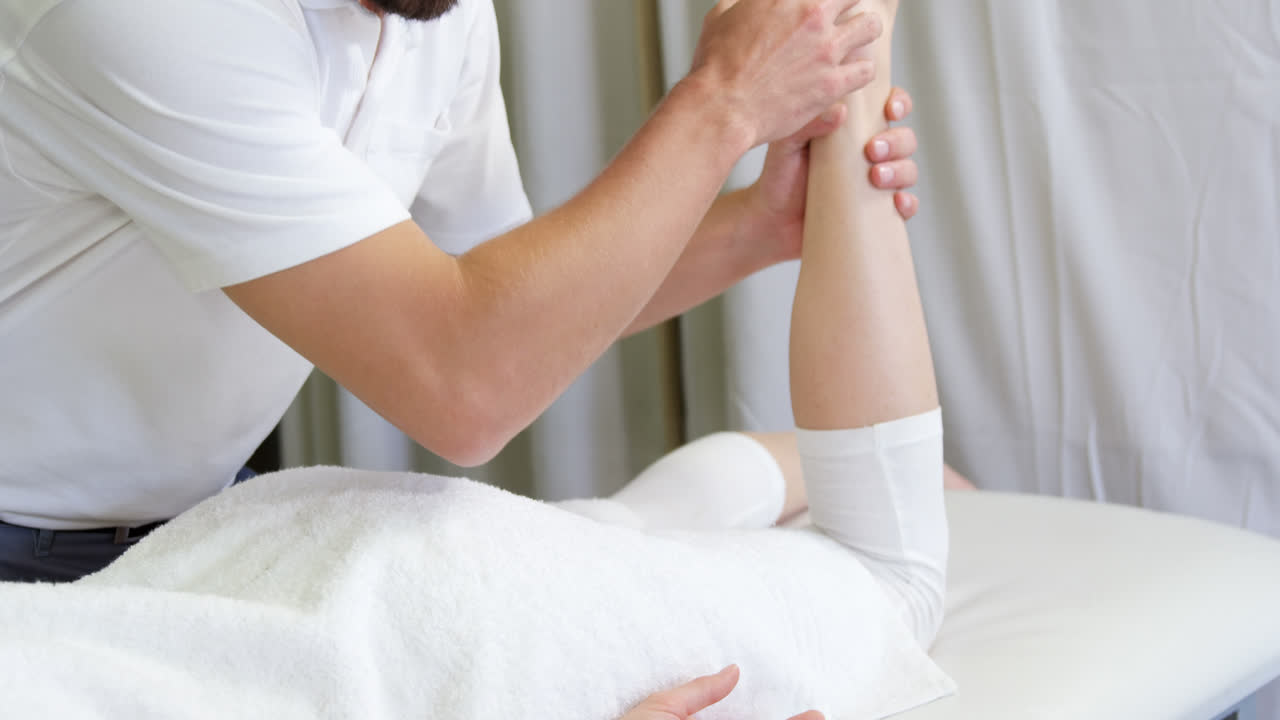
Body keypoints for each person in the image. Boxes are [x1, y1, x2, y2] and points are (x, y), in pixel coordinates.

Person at [0, 4, 950, 716]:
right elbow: (467, 383)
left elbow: (515, 297)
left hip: (209, 527)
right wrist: (723, 102)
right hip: (19, 548)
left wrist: (751, 227)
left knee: (610, 542)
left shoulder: (436, 16)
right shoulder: (146, 17)